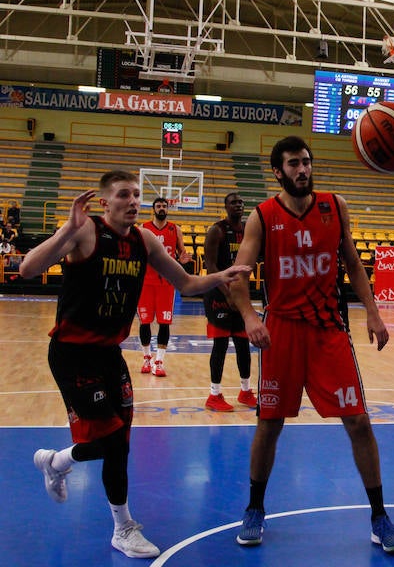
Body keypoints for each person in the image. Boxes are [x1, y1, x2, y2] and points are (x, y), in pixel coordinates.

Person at [19, 171, 249, 559]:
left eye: (137, 195)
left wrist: (219, 277)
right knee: (108, 442)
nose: (133, 201)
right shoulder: (84, 230)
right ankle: (122, 526)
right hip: (72, 353)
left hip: (110, 353)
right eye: (124, 194)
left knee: (119, 445)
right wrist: (65, 232)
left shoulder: (145, 240)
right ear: (105, 203)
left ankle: (59, 464)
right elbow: (27, 269)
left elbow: (187, 284)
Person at [226, 136, 394, 552]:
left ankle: (379, 516)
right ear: (278, 171)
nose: (302, 169)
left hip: (329, 330)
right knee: (269, 425)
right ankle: (255, 508)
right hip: (283, 331)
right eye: (293, 164)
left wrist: (374, 311)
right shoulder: (262, 216)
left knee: (359, 421)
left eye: (306, 162)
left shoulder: (334, 206)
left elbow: (353, 263)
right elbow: (238, 275)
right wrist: (252, 317)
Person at [203, 192, 256, 412]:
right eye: (234, 202)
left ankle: (245, 391)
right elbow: (211, 267)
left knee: (244, 344)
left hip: (239, 294)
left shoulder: (248, 231)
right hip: (218, 294)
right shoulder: (217, 231)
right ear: (226, 207)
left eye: (241, 202)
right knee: (221, 345)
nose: (238, 205)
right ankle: (214, 394)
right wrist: (228, 294)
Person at [136, 197, 191, 376]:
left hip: (166, 283)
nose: (161, 208)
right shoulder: (143, 229)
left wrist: (182, 259)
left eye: (164, 206)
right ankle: (146, 359)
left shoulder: (176, 229)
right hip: (145, 282)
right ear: (153, 209)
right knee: (145, 322)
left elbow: (181, 252)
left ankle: (159, 362)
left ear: (168, 209)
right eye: (158, 206)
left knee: (164, 323)